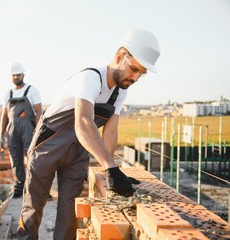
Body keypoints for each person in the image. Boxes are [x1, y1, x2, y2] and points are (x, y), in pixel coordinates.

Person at [17, 29, 161, 239]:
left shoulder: (121, 91)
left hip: (78, 152)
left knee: (69, 210)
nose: (136, 77)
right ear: (120, 56)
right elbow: (83, 122)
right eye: (133, 69)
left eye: (142, 73)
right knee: (34, 204)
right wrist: (111, 167)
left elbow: (110, 130)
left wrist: (110, 170)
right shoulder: (90, 78)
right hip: (49, 144)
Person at [0, 62, 42, 198]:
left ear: (23, 75)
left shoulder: (32, 90)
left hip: (28, 128)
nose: (16, 77)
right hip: (12, 130)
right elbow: (4, 115)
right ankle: (20, 185)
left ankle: (37, 188)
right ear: (11, 77)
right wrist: (1, 135)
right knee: (15, 159)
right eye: (14, 75)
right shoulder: (8, 94)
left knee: (32, 158)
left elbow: (39, 111)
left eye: (18, 75)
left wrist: (38, 131)